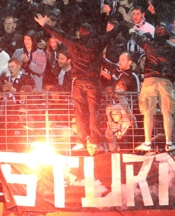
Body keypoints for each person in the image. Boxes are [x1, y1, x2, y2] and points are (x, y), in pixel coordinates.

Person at [35, 14, 130, 154]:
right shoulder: (98, 42)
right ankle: (95, 141)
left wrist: (45, 25)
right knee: (94, 112)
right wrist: (125, 22)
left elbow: (59, 35)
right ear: (91, 33)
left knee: (79, 112)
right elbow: (113, 33)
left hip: (78, 83)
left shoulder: (74, 42)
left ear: (80, 33)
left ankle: (80, 141)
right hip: (93, 82)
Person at [134, 26, 175, 153]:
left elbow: (136, 38)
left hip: (150, 79)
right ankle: (169, 143)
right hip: (165, 80)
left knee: (148, 112)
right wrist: (171, 69)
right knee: (167, 112)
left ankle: (147, 143)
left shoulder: (149, 45)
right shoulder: (172, 48)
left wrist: (131, 30)